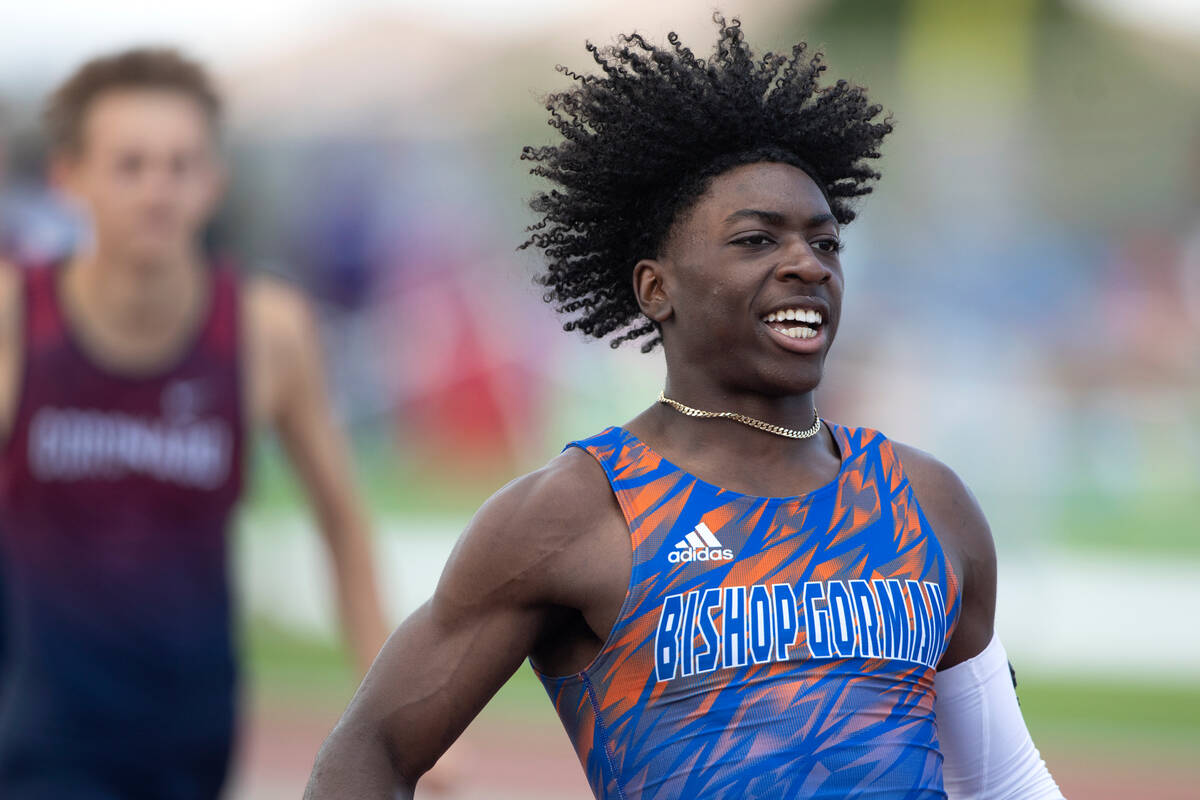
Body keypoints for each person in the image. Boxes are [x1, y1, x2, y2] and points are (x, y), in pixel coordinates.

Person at [306, 16, 1065, 800]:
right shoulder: (577, 514)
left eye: (825, 242)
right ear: (655, 289)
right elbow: (370, 752)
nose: (806, 263)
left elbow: (1005, 783)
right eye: (756, 241)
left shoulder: (929, 503)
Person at [0, 48, 389, 797]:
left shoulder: (264, 332)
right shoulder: (18, 319)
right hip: (35, 736)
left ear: (214, 181)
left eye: (180, 166)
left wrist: (400, 723)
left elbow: (342, 521)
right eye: (131, 165)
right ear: (68, 177)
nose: (157, 190)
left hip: (192, 735)